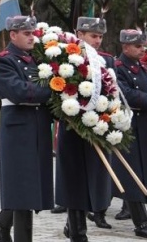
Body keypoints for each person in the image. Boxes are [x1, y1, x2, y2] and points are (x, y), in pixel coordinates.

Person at [0, 16, 53, 242]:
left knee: (29, 189)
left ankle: (2, 223)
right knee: (22, 191)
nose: (31, 37)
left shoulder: (38, 60)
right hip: (17, 133)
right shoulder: (3, 61)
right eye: (26, 33)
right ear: (13, 34)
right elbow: (18, 91)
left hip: (38, 130)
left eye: (32, 33)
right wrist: (53, 90)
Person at [54, 17, 114, 240]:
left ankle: (77, 223)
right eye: (93, 36)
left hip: (97, 129)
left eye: (100, 37)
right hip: (73, 128)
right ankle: (78, 230)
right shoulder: (64, 58)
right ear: (79, 34)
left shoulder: (106, 61)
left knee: (94, 180)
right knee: (74, 179)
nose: (97, 41)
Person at [112, 29, 147, 239]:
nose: (142, 49)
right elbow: (126, 93)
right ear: (125, 47)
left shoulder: (141, 66)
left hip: (143, 126)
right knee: (131, 175)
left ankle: (75, 220)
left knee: (139, 173)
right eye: (138, 46)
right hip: (127, 127)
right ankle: (141, 224)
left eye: (143, 46)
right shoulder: (118, 68)